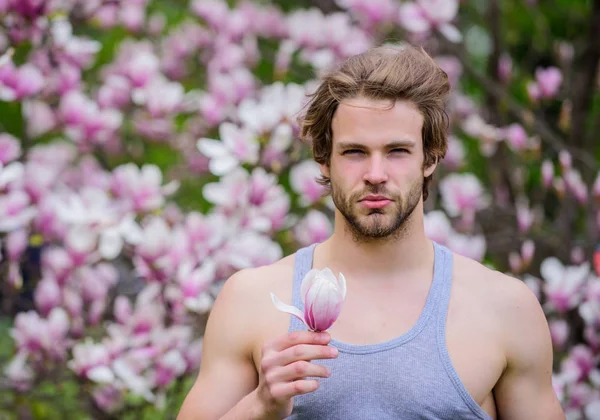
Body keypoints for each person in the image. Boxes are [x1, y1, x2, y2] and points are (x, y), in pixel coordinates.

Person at [177, 44, 565, 420]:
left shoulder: (505, 307)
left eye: (397, 151)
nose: (376, 174)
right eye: (354, 152)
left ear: (430, 158)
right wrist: (260, 407)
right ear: (324, 161)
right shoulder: (253, 298)